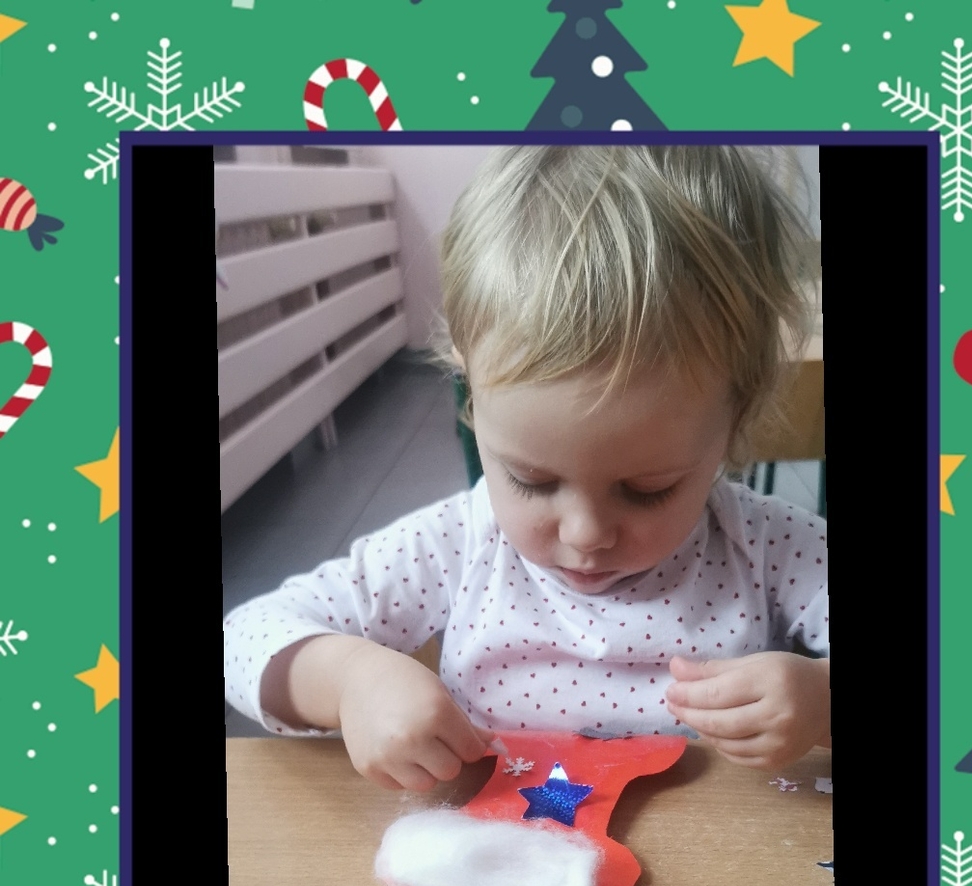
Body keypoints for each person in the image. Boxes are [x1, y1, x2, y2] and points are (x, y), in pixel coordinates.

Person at [224, 144, 829, 791]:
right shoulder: (458, 546)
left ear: (732, 425)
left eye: (646, 490)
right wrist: (352, 680)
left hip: (717, 850)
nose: (585, 533)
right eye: (532, 481)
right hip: (505, 845)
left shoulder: (766, 546)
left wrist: (823, 701)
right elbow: (244, 638)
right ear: (472, 398)